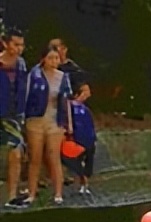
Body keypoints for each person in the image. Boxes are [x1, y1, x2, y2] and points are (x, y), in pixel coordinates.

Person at [22, 43, 73, 205]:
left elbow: (66, 102)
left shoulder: (62, 77)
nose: (54, 61)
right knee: (35, 158)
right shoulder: (34, 75)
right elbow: (26, 96)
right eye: (50, 58)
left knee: (54, 156)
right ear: (43, 59)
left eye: (56, 58)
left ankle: (58, 193)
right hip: (35, 120)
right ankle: (31, 192)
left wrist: (68, 123)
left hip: (54, 121)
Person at [1, 28, 27, 207]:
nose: (19, 48)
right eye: (15, 44)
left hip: (14, 114)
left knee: (16, 152)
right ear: (5, 43)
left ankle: (11, 197)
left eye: (21, 45)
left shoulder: (21, 64)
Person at [62, 82, 95, 196]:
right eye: (85, 90)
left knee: (88, 162)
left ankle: (84, 182)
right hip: (75, 139)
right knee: (73, 161)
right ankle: (80, 180)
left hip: (88, 140)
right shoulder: (69, 106)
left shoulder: (86, 109)